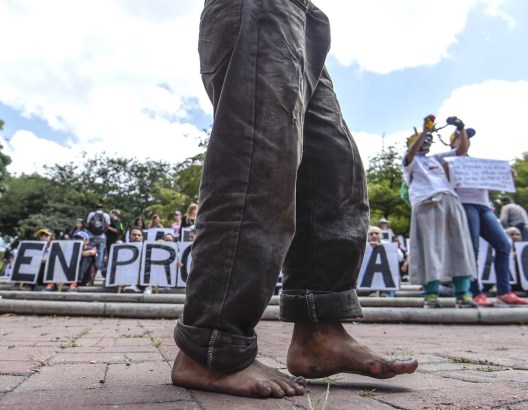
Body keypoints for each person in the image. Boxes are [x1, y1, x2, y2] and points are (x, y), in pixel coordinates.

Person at [172, 1, 417, 399]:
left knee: (332, 170)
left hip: (304, 16)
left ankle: (319, 333)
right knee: (259, 160)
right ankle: (211, 346)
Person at [449, 129, 528, 308]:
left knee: (504, 245)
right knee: (472, 249)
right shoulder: (448, 161)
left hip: (484, 206)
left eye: (468, 138)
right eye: (461, 137)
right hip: (465, 204)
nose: (466, 140)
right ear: (452, 142)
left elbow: (486, 187)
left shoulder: (479, 163)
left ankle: (504, 291)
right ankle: (474, 292)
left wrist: (504, 178)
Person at [402, 115, 477, 308]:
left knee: (459, 247)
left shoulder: (436, 159)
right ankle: (431, 294)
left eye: (429, 140)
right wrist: (426, 131)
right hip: (427, 203)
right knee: (430, 248)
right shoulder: (409, 162)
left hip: (450, 200)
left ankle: (463, 293)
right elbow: (411, 153)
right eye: (422, 140)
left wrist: (461, 128)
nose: (427, 142)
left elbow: (461, 150)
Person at [86, 203, 111, 274]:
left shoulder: (91, 214)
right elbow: (108, 225)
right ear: (102, 208)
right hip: (102, 236)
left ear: (96, 208)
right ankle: (99, 268)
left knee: (91, 251)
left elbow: (88, 223)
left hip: (92, 236)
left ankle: (91, 267)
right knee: (101, 252)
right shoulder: (106, 215)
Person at [123, 227, 144, 293]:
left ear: (142, 237)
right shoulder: (122, 248)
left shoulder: (146, 248)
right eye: (134, 235)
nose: (136, 237)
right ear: (129, 236)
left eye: (139, 235)